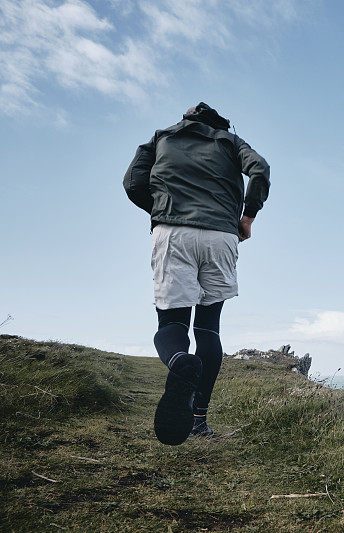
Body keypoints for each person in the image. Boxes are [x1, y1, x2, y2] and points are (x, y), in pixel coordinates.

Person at [123, 102, 270, 445]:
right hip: (221, 235)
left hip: (173, 233)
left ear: (186, 119)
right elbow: (259, 169)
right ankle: (198, 422)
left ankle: (179, 362)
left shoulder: (160, 139)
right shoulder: (230, 141)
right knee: (208, 328)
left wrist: (162, 210)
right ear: (218, 124)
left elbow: (132, 182)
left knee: (172, 325)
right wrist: (247, 217)